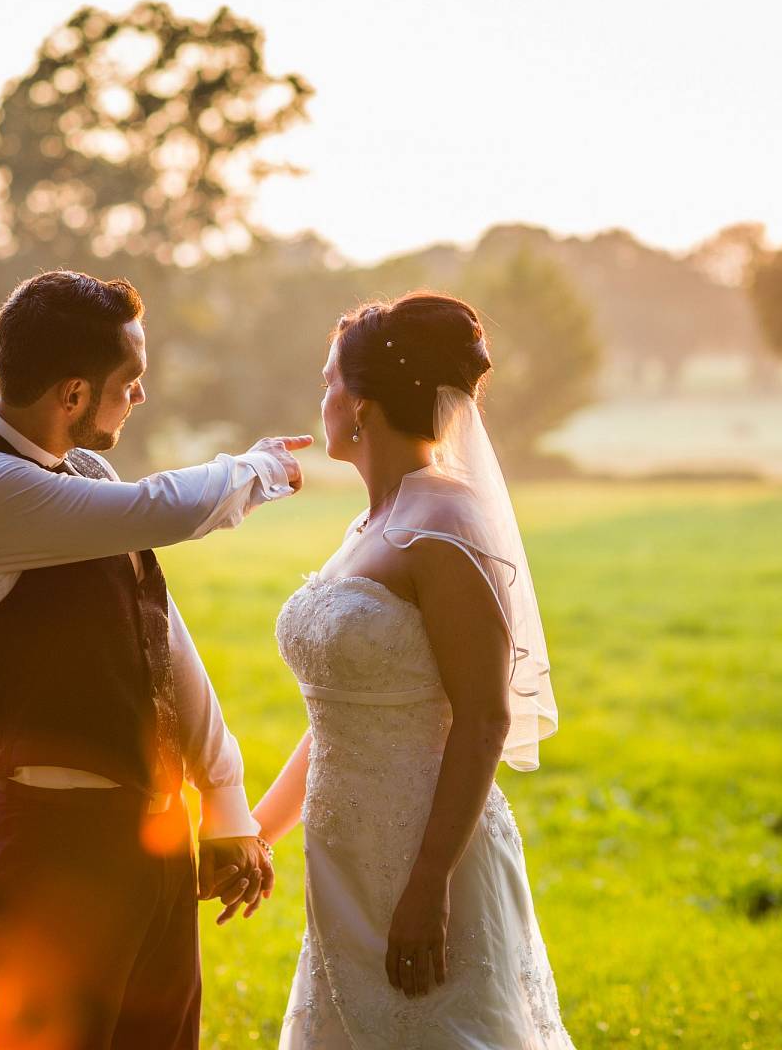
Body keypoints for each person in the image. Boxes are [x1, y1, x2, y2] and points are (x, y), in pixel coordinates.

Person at [0, 269, 310, 1049]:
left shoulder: (84, 472)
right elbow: (159, 509)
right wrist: (259, 467)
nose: (138, 399)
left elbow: (161, 642)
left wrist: (223, 798)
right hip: (53, 846)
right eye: (128, 383)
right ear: (70, 394)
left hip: (155, 838)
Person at [250, 291, 575, 1048]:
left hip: (432, 859)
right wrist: (259, 832)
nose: (323, 397)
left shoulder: (446, 523)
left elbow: (485, 716)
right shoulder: (368, 525)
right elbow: (343, 716)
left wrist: (428, 885)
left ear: (361, 406)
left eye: (329, 381)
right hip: (346, 861)